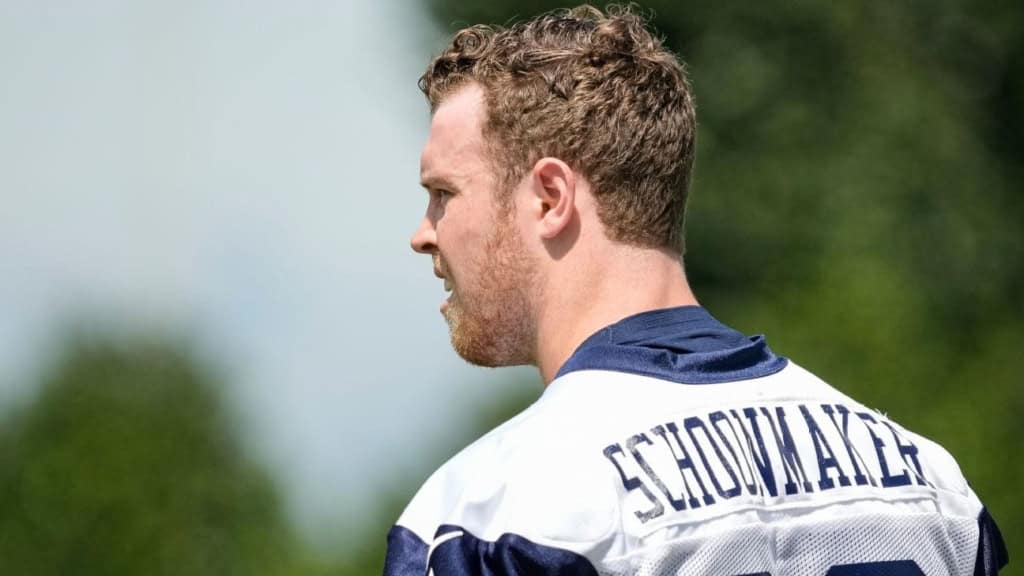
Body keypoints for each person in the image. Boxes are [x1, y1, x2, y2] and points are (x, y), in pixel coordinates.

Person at [385, 5, 1008, 575]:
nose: (423, 234)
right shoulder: (931, 484)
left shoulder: (491, 512)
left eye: (444, 193)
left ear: (550, 198)